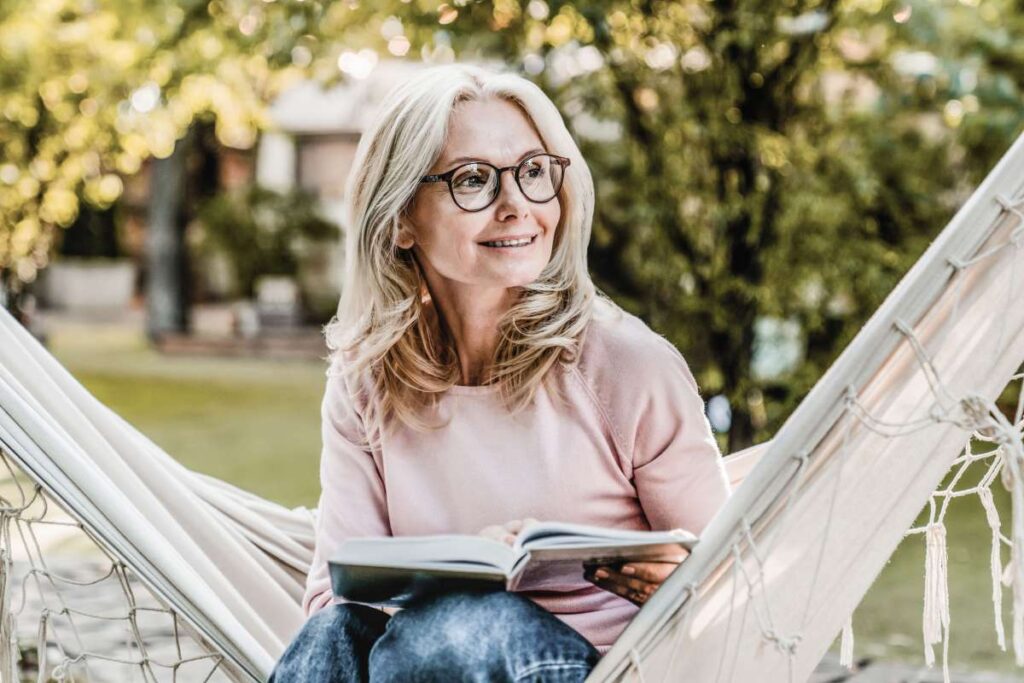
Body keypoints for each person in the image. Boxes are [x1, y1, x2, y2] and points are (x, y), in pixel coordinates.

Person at [269, 62, 731, 682]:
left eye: (534, 172)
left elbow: (733, 578)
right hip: (420, 662)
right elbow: (337, 601)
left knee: (458, 628)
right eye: (473, 180)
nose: (517, 205)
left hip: (604, 668)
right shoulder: (366, 381)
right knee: (336, 632)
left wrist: (638, 574)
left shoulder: (626, 367)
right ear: (402, 218)